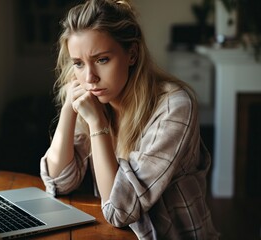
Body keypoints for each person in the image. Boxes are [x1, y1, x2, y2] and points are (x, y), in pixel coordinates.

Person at [40, 0, 219, 239]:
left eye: (102, 59)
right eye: (79, 64)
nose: (90, 77)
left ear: (132, 54)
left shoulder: (174, 106)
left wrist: (98, 125)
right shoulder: (93, 99)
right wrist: (68, 110)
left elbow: (120, 212)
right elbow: (59, 183)